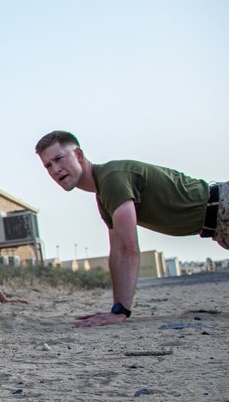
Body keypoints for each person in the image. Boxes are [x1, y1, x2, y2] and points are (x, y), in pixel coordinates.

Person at [35, 130, 227, 328]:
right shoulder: (103, 195)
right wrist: (117, 309)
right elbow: (117, 252)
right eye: (48, 165)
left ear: (78, 155)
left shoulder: (111, 179)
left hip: (223, 206)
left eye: (59, 159)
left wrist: (120, 312)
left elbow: (129, 249)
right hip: (218, 226)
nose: (55, 169)